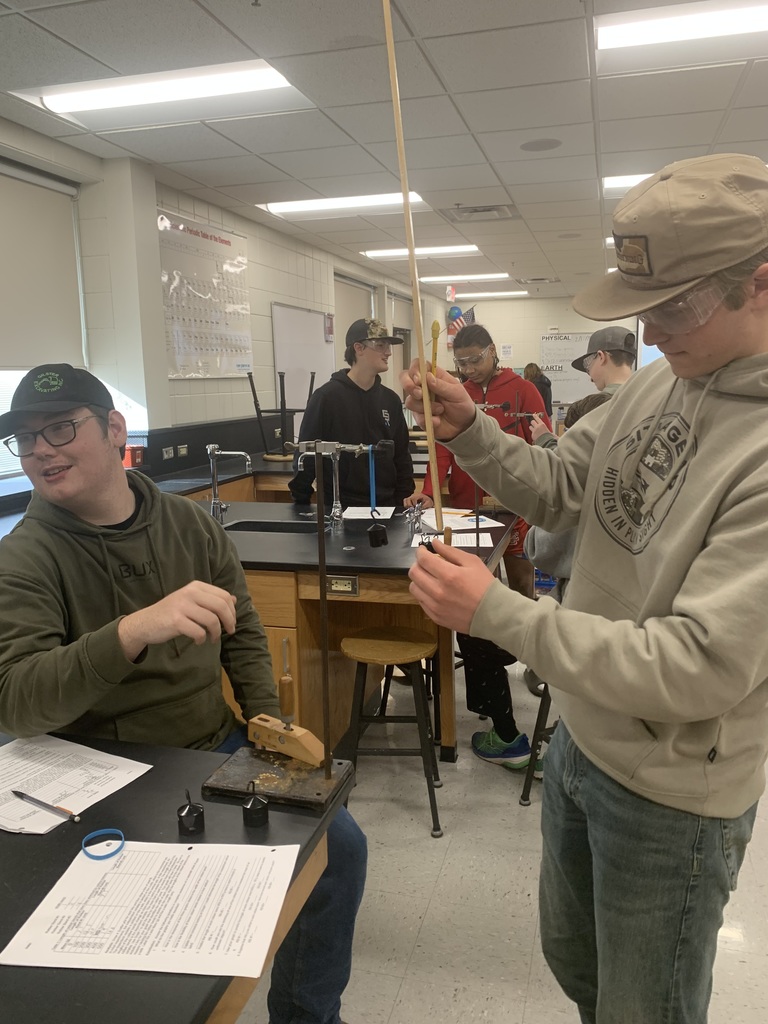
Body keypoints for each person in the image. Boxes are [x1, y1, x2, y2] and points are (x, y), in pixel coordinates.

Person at [401, 152, 768, 1024]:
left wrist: (500, 614)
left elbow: (697, 668)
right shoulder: (658, 380)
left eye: (676, 306)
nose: (652, 329)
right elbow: (567, 485)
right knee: (577, 967)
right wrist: (473, 433)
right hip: (581, 740)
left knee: (647, 1009)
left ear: (762, 284)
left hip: (673, 792)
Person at [0, 363, 366, 1024]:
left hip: (212, 744)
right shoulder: (25, 556)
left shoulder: (188, 525)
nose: (42, 451)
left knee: (339, 846)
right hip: (102, 775)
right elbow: (20, 703)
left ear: (115, 430)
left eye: (59, 428)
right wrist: (134, 631)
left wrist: (266, 726)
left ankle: (308, 1016)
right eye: (25, 440)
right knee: (155, 951)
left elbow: (244, 631)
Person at [404, 324, 550, 770]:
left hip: (517, 508)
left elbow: (539, 452)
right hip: (472, 512)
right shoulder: (458, 391)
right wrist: (430, 489)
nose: (467, 368)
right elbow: (442, 449)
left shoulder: (522, 390)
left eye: (474, 360)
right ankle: (491, 671)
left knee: (521, 588)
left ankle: (536, 660)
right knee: (477, 598)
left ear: (492, 352)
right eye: (461, 361)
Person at [289, 318, 414, 509]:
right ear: (359, 348)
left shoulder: (391, 400)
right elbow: (307, 454)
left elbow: (402, 456)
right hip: (340, 508)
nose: (388, 352)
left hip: (387, 507)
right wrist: (301, 503)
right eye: (380, 345)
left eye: (389, 346)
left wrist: (402, 502)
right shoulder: (326, 398)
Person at [571, 324, 636, 394]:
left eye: (588, 366)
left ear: (601, 357)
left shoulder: (593, 404)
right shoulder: (645, 399)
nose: (591, 379)